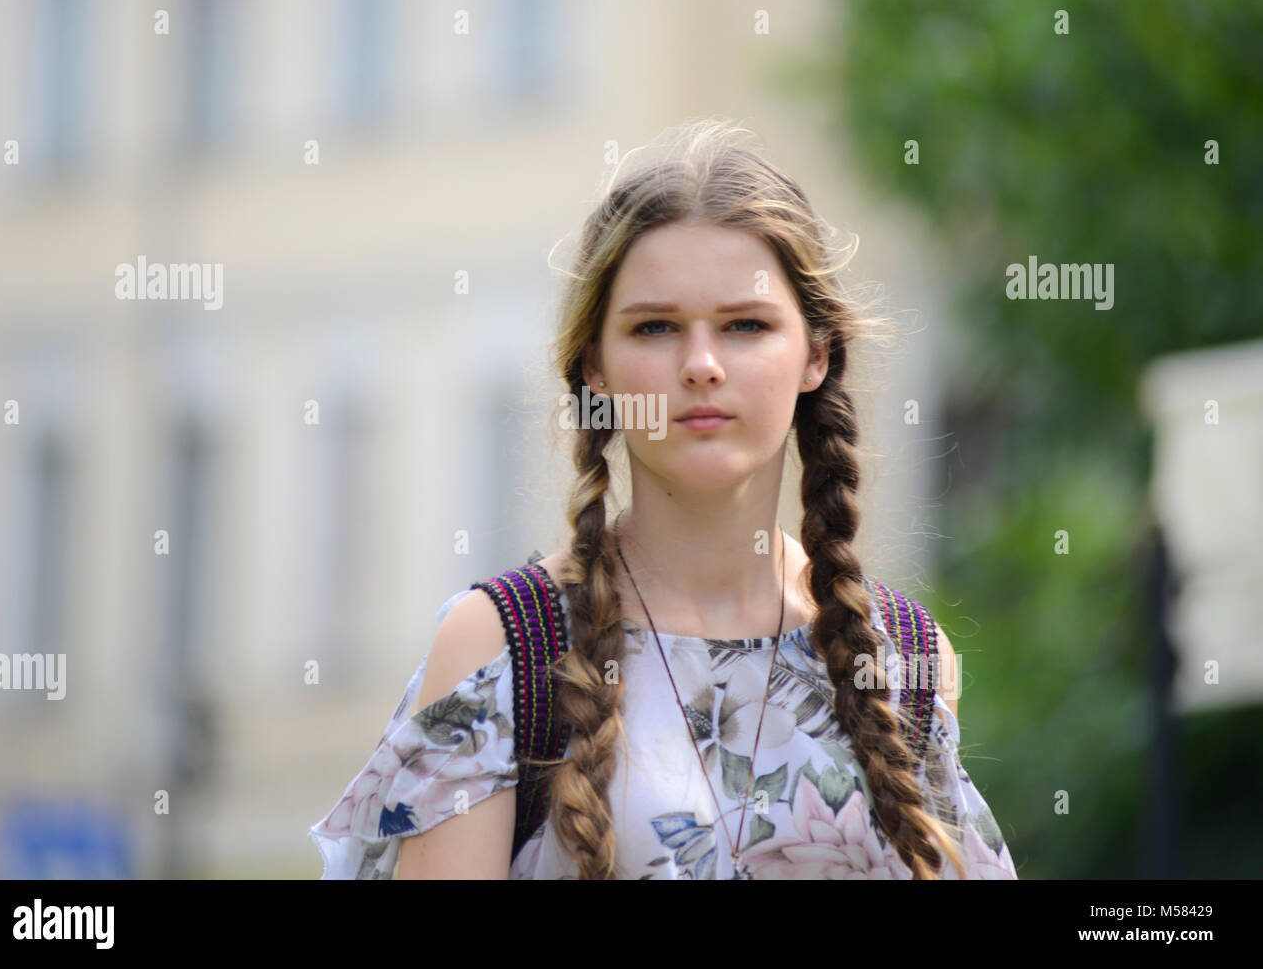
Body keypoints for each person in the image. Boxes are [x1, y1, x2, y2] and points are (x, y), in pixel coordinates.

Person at [308, 119, 1018, 880]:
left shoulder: (905, 656)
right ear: (597, 369)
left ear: (815, 353)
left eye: (746, 325)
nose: (702, 364)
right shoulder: (502, 646)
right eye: (656, 327)